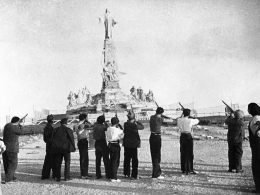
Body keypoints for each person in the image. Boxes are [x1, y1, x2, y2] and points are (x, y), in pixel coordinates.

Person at [123, 110, 144, 180]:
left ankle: (126, 173)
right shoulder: (134, 125)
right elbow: (142, 127)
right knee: (134, 160)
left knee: (127, 159)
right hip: (133, 144)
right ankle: (134, 175)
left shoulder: (125, 124)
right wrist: (137, 121)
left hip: (126, 143)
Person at [177, 109, 199, 175]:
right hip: (188, 136)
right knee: (189, 153)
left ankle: (183, 168)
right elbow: (197, 120)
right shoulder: (190, 120)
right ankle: (189, 169)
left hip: (182, 136)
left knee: (183, 152)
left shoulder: (179, 120)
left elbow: (180, 119)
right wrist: (192, 116)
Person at [2, 116, 24, 183]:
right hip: (12, 149)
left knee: (7, 164)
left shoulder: (7, 125)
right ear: (17, 121)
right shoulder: (12, 127)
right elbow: (22, 132)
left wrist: (18, 124)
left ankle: (10, 176)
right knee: (13, 164)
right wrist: (21, 125)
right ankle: (8, 179)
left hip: (6, 148)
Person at [149, 107, 167, 179]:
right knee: (157, 155)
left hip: (152, 136)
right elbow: (171, 121)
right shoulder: (160, 119)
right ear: (161, 113)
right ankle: (156, 173)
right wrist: (164, 116)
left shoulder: (152, 117)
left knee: (154, 155)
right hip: (157, 137)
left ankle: (155, 171)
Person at [74, 114, 92, 179]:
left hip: (80, 141)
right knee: (84, 158)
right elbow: (91, 126)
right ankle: (84, 174)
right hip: (83, 140)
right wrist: (87, 121)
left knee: (83, 157)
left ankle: (84, 173)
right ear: (84, 118)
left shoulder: (76, 125)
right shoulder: (83, 125)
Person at [106, 117, 124, 182]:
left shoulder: (108, 128)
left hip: (110, 144)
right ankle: (114, 177)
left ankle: (110, 175)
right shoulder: (117, 130)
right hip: (115, 144)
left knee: (111, 160)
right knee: (115, 161)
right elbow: (122, 132)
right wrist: (119, 126)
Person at [248, 103, 260, 194]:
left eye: (249, 109)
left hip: (257, 146)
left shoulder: (256, 118)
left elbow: (258, 131)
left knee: (256, 167)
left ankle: (258, 188)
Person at [93, 115, 110, 179]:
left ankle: (98, 174)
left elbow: (95, 123)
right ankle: (108, 174)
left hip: (97, 142)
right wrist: (105, 123)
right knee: (106, 159)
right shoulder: (102, 127)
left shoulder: (95, 126)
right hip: (102, 142)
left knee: (98, 160)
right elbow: (108, 128)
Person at [41, 115, 56, 180]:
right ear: (52, 120)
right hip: (51, 145)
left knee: (47, 160)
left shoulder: (46, 127)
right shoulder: (50, 128)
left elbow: (45, 139)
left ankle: (45, 174)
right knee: (52, 160)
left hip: (48, 145)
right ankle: (53, 174)